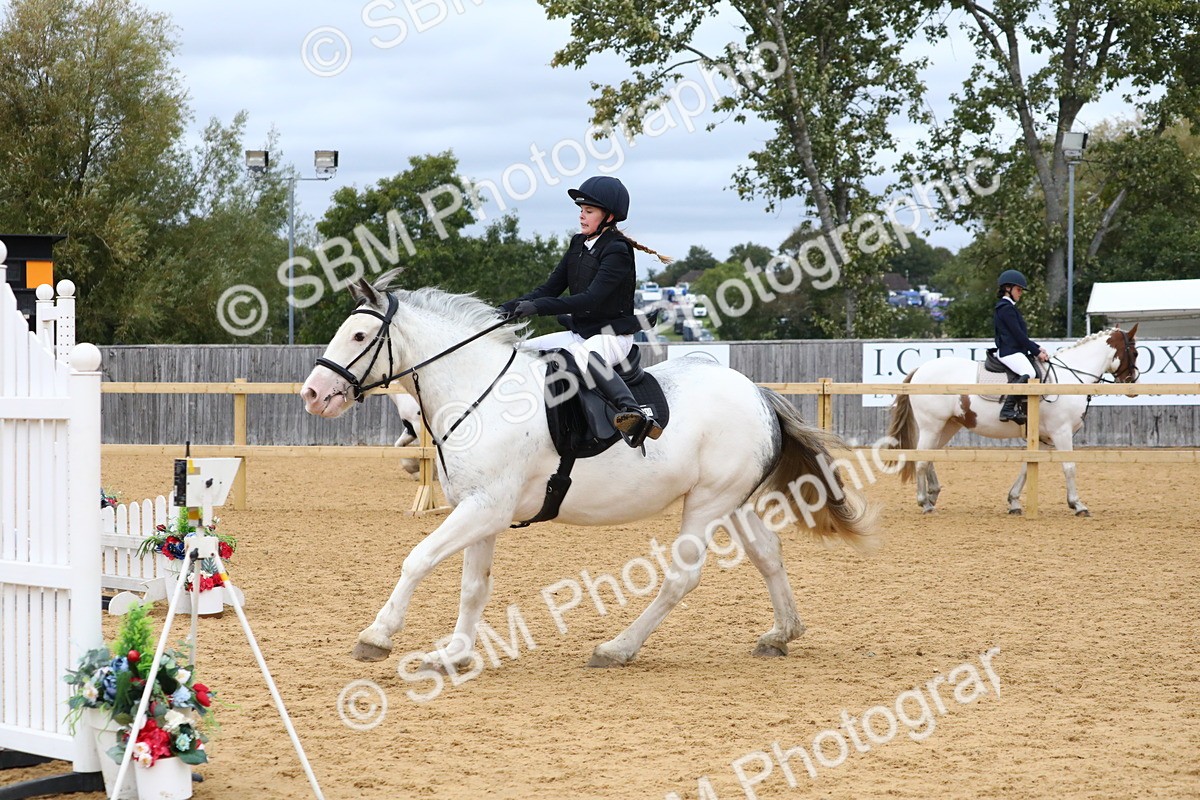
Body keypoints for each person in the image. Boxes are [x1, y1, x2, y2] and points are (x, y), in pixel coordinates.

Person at [498, 176, 672, 448]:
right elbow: (549, 288)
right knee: (519, 352)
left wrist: (539, 308)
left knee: (588, 357)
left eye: (589, 211)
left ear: (609, 217)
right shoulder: (578, 244)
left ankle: (635, 415)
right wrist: (507, 309)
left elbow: (589, 300)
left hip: (613, 337)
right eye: (581, 210)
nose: (581, 216)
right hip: (580, 333)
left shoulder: (617, 251)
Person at [993, 269, 1048, 424]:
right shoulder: (1005, 308)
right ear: (1007, 288)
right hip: (1009, 351)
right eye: (1018, 289)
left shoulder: (1009, 307)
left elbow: (1021, 336)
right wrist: (1036, 351)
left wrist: (1037, 347)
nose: (1020, 293)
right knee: (1029, 372)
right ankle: (1007, 409)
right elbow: (1018, 335)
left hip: (1014, 350)